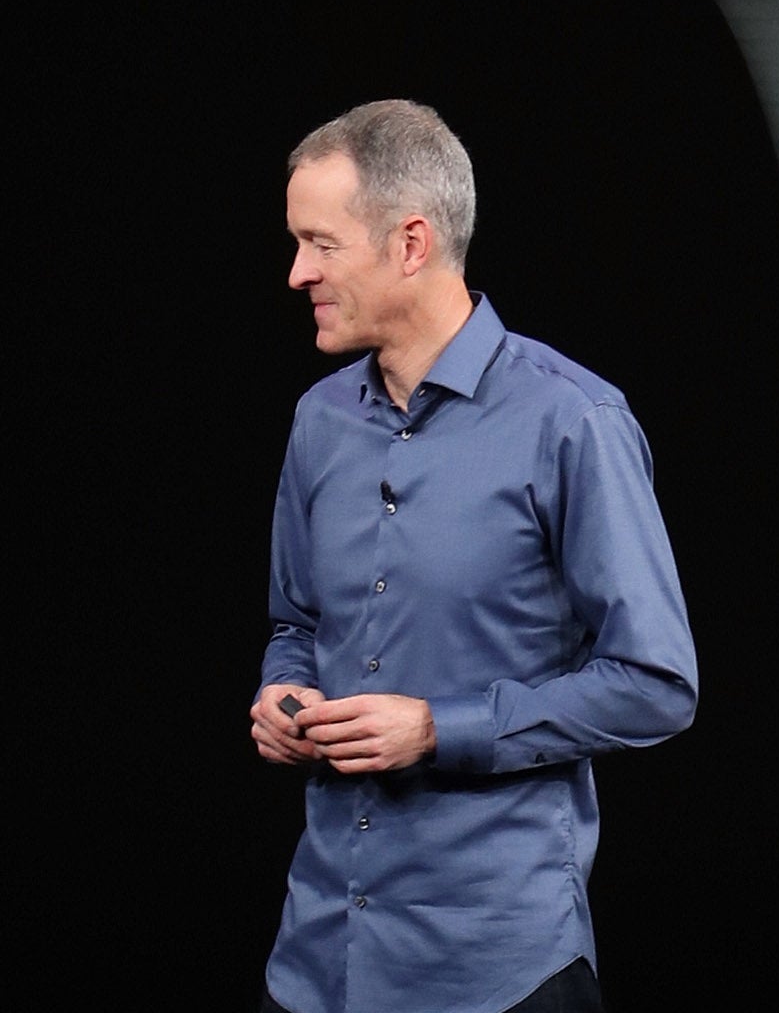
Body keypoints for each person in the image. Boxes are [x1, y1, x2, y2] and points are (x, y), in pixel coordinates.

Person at [250, 98, 696, 1012]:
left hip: (492, 972)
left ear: (410, 243)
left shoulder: (572, 420)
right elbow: (295, 622)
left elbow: (656, 682)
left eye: (320, 244)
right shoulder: (319, 421)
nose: (297, 273)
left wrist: (438, 729)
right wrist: (280, 693)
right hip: (317, 964)